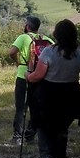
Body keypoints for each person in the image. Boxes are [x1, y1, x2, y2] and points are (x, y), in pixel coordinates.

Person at [26, 19, 80, 158]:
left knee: (43, 125)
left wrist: (27, 76)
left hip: (48, 94)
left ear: (56, 35)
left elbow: (38, 76)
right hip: (70, 95)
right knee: (62, 127)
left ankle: (46, 156)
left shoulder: (49, 52)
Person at [8, 16, 54, 145]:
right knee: (36, 106)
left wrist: (18, 62)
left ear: (28, 26)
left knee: (20, 107)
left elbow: (11, 52)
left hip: (24, 75)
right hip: (41, 76)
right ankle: (31, 134)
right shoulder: (46, 39)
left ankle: (17, 136)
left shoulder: (23, 37)